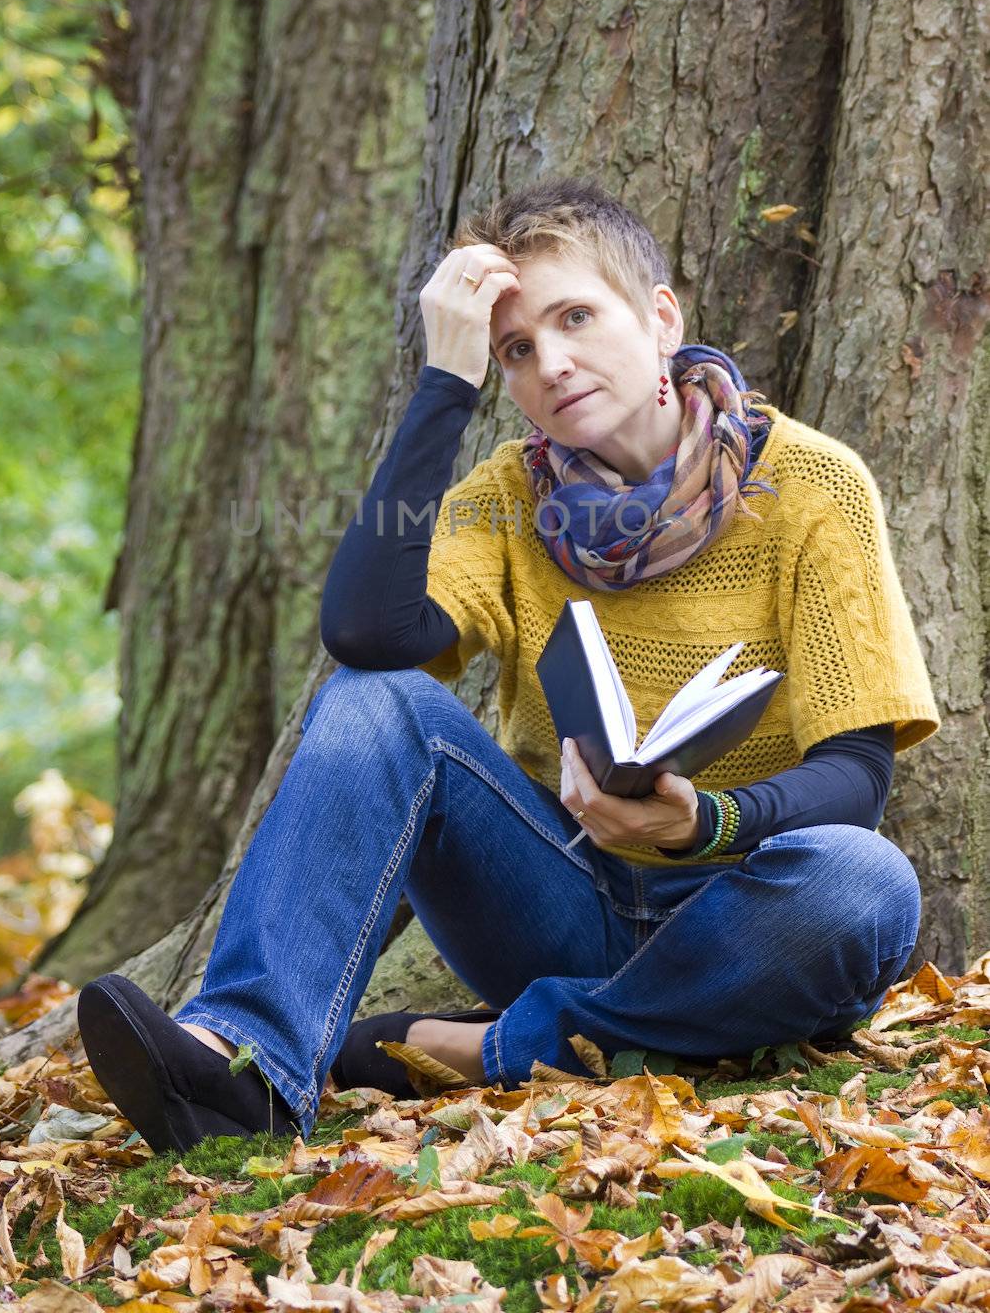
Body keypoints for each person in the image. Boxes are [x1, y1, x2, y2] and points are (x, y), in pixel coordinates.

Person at [77, 175, 940, 1157]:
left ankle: (508, 1046)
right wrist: (444, 381)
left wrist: (705, 819)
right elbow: (365, 632)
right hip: (556, 894)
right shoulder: (502, 500)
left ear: (660, 318)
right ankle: (245, 1064)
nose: (552, 363)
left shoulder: (813, 486)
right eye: (516, 350)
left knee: (866, 884)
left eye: (576, 317)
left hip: (745, 918)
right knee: (377, 700)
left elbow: (857, 779)